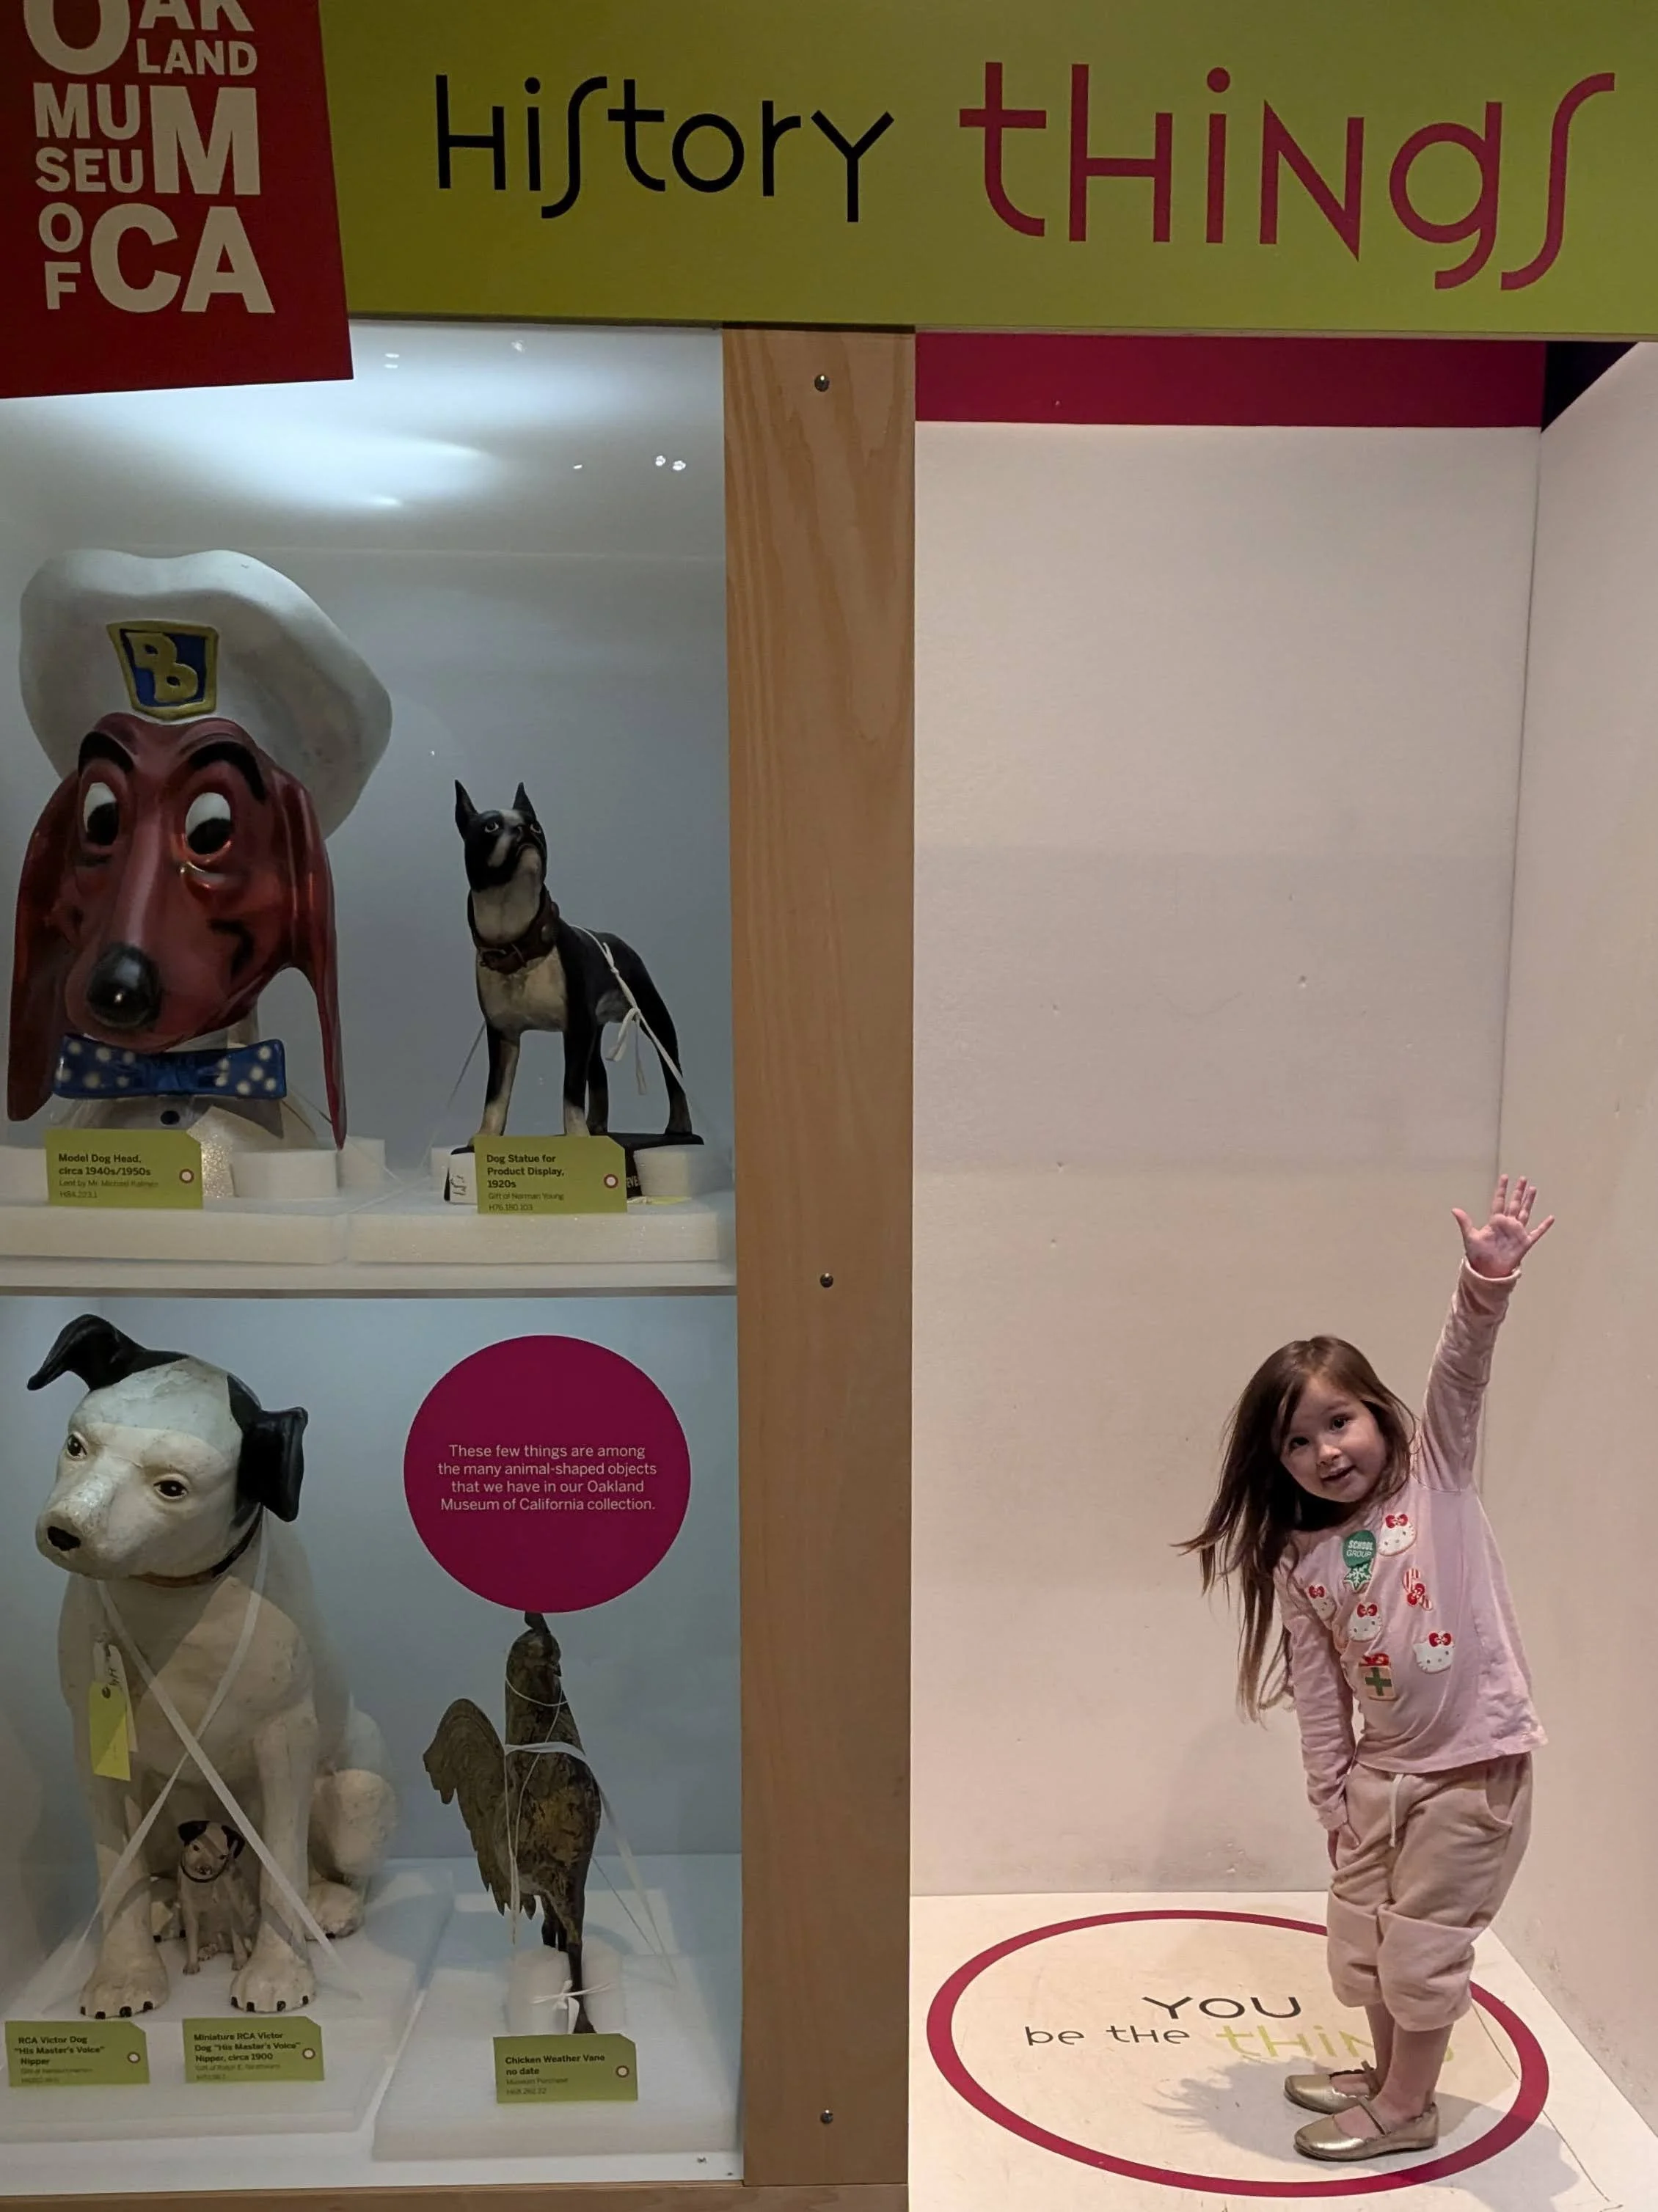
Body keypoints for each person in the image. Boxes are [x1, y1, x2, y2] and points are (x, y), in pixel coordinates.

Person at [1181, 1176, 1550, 2162]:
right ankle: (1389, 2079)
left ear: (1382, 1418)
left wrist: (1485, 1284)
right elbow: (1317, 1695)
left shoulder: (1439, 1480)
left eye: (1338, 1422)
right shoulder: (1300, 1562)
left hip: (1471, 1769)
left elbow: (1462, 1376)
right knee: (1366, 1938)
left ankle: (1406, 2110)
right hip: (1378, 1780)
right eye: (1296, 1442)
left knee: (1423, 1946)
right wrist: (1333, 1796)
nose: (1323, 1451)